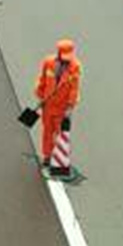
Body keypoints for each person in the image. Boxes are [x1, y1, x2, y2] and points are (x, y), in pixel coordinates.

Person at [34, 39, 82, 171]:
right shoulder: (48, 62)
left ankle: (59, 161)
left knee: (61, 134)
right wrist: (40, 95)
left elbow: (74, 89)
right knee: (47, 132)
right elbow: (42, 80)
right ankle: (47, 157)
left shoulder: (75, 67)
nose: (67, 60)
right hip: (48, 105)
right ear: (59, 53)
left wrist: (70, 107)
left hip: (62, 108)